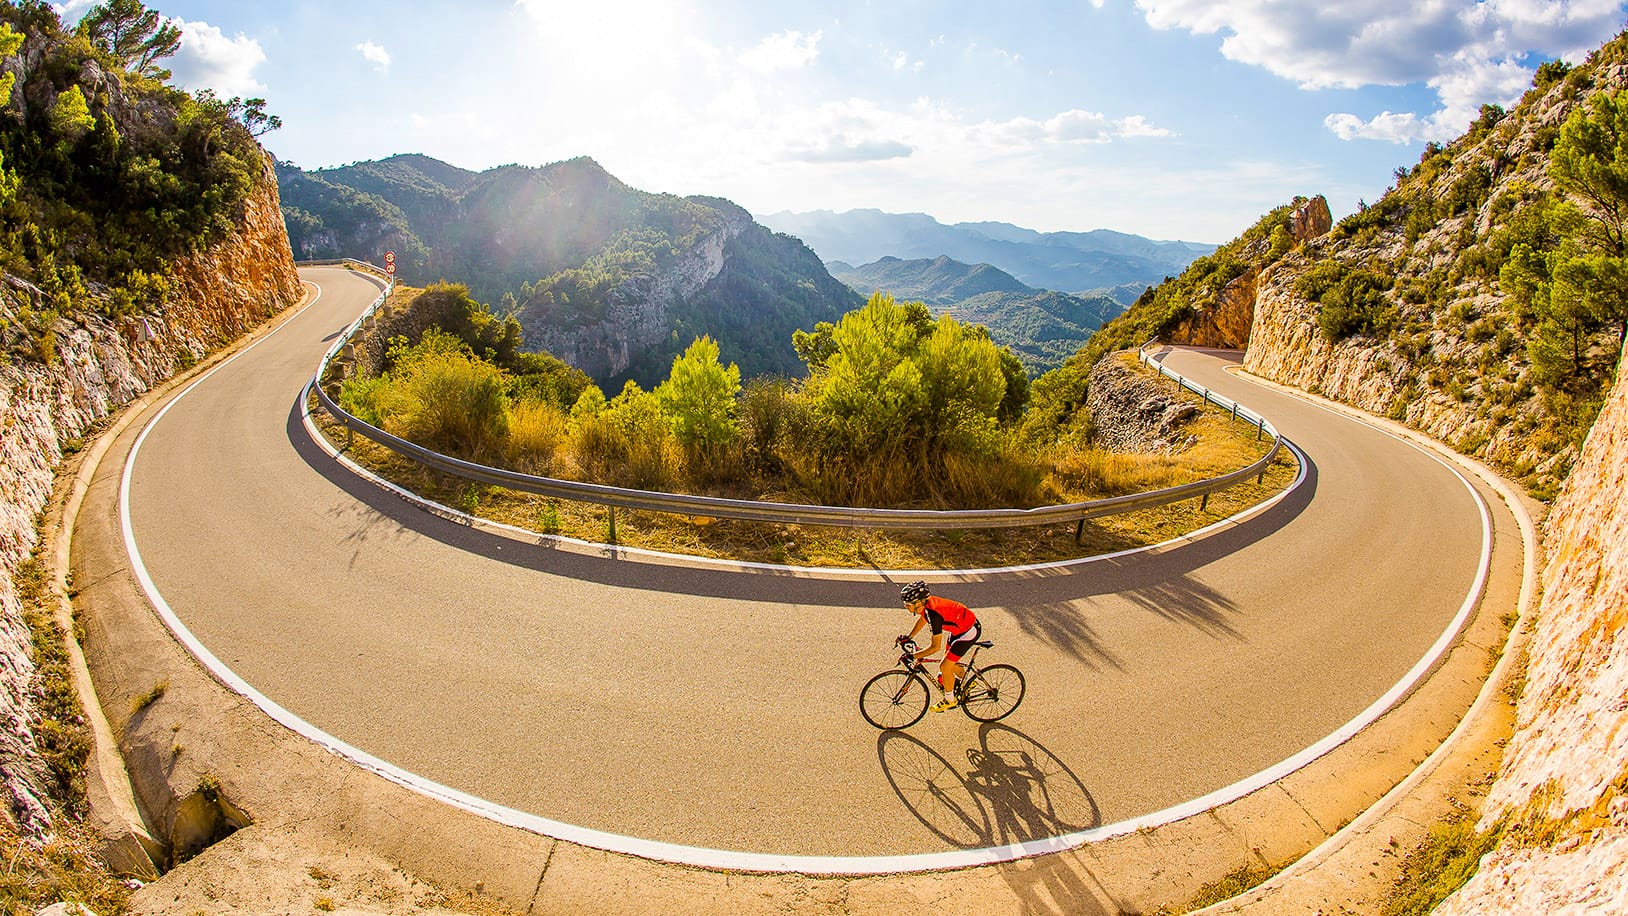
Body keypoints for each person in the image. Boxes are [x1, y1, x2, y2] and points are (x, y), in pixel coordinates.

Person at [898, 580, 981, 712]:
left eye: (908, 604)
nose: (905, 606)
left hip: (968, 631)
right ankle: (968, 683)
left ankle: (950, 700)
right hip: (959, 629)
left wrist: (913, 656)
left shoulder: (933, 614)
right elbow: (923, 620)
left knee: (945, 665)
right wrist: (909, 637)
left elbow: (935, 647)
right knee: (949, 663)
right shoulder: (926, 607)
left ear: (918, 603)